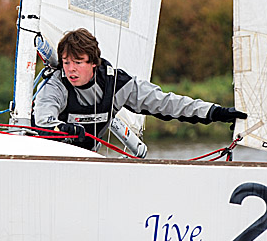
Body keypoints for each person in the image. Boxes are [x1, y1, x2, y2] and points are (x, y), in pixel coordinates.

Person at [33, 28, 246, 150]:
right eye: (66, 62)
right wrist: (61, 128)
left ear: (94, 63)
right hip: (45, 160)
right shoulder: (55, 85)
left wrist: (215, 112)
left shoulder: (116, 84)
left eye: (78, 62)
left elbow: (165, 102)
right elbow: (44, 116)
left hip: (87, 165)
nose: (71, 69)